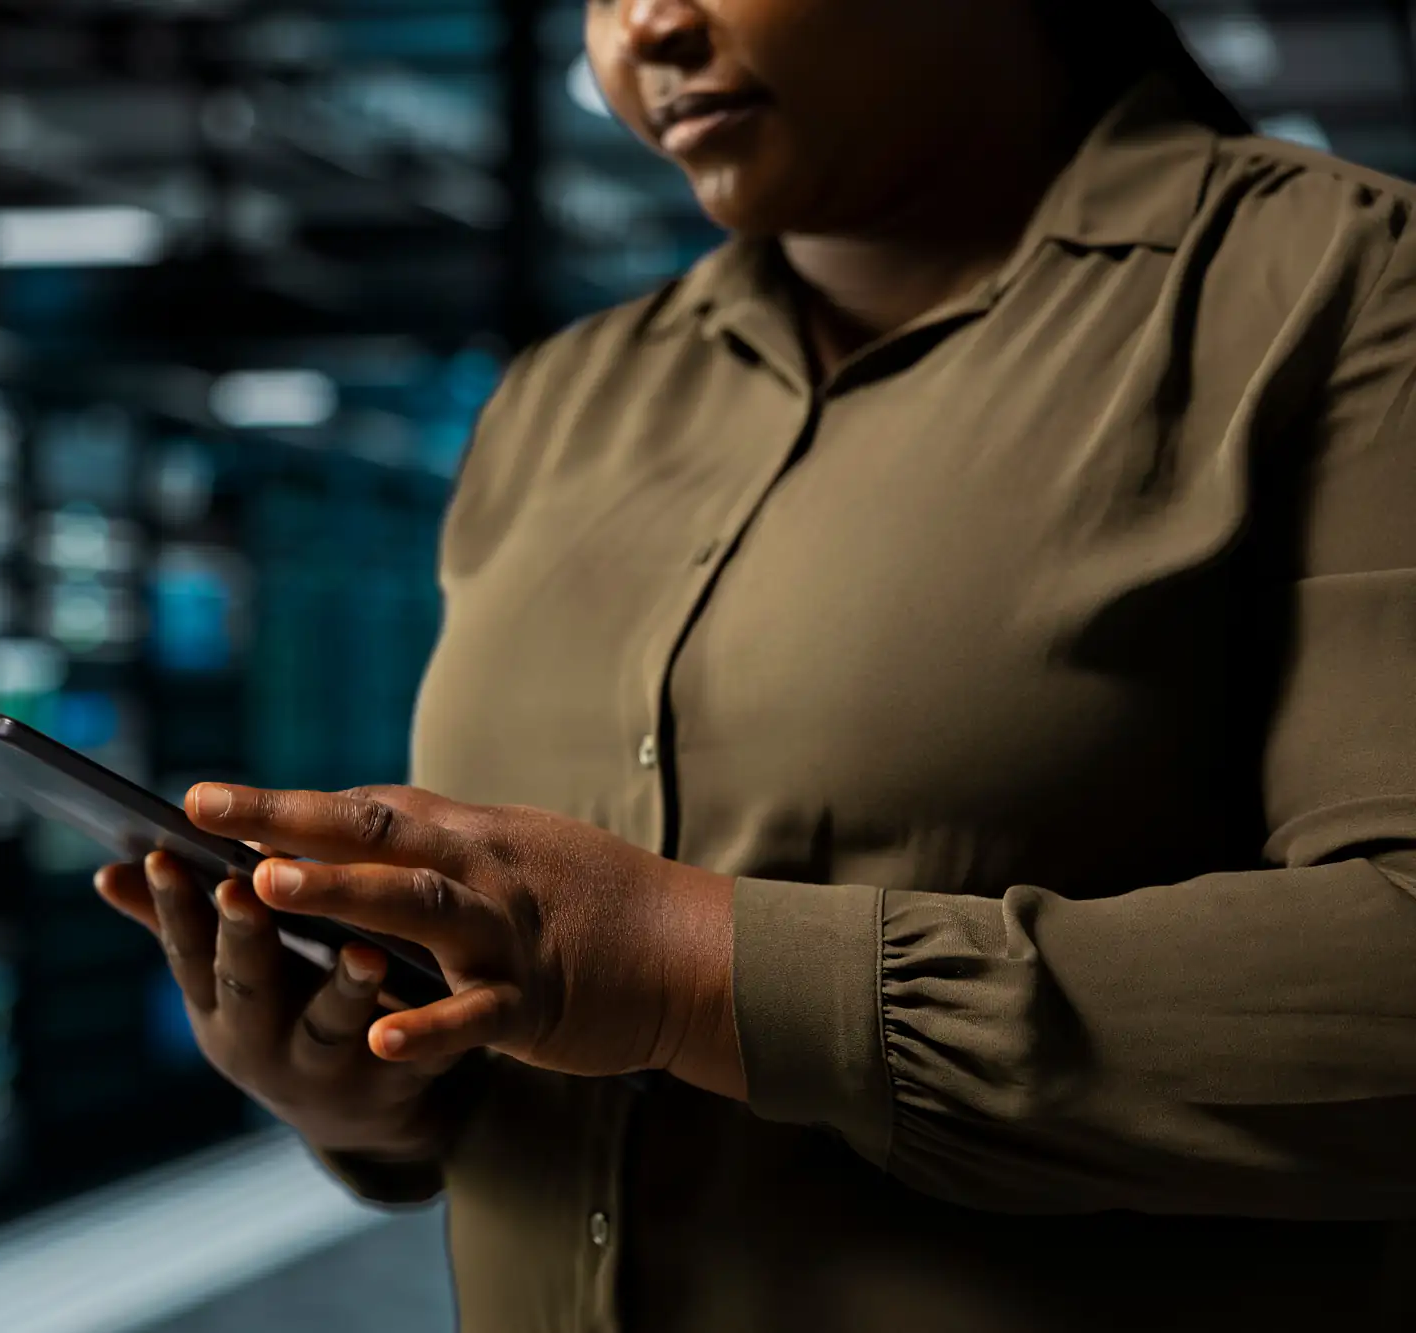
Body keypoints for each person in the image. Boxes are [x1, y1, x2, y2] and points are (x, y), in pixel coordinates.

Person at [95, 0, 1416, 1328]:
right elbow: (531, 1030)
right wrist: (368, 1079)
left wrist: (695, 970)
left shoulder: (1343, 289)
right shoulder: (559, 403)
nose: (645, 29)